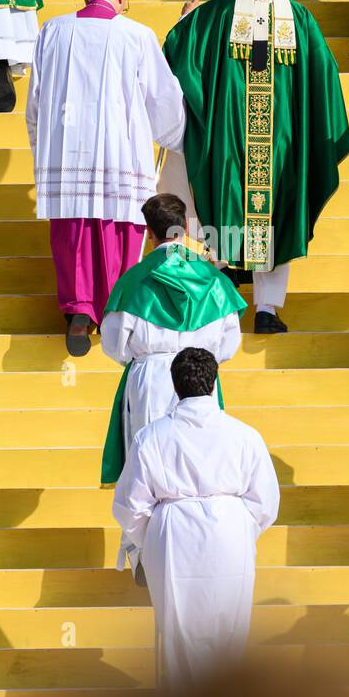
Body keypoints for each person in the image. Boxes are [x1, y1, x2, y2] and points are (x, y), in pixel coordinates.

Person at [161, 0, 349, 334]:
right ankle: (267, 308)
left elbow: (172, 69)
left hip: (224, 142)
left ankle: (222, 301)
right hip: (281, 147)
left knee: (222, 206)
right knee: (275, 212)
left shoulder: (208, 18)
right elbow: (324, 85)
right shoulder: (300, 20)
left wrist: (181, 27)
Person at [26, 0, 186, 356]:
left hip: (68, 149)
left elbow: (36, 100)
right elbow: (162, 100)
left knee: (73, 227)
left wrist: (41, 143)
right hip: (120, 151)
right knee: (118, 228)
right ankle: (116, 309)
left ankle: (79, 309)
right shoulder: (137, 35)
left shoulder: (52, 31)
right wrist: (176, 136)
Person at [112, 347, 280, 685]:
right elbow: (265, 502)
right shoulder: (245, 435)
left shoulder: (151, 436)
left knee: (176, 634)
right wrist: (238, 527)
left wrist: (153, 538)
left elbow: (131, 505)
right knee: (230, 633)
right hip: (231, 531)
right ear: (214, 382)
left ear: (174, 386)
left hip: (172, 533)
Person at [100, 193, 245, 500]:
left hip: (149, 379)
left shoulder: (133, 280)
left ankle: (146, 543)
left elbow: (113, 344)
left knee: (147, 472)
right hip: (201, 376)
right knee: (201, 463)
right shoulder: (215, 281)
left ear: (149, 232)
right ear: (185, 230)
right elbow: (230, 343)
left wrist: (141, 359)